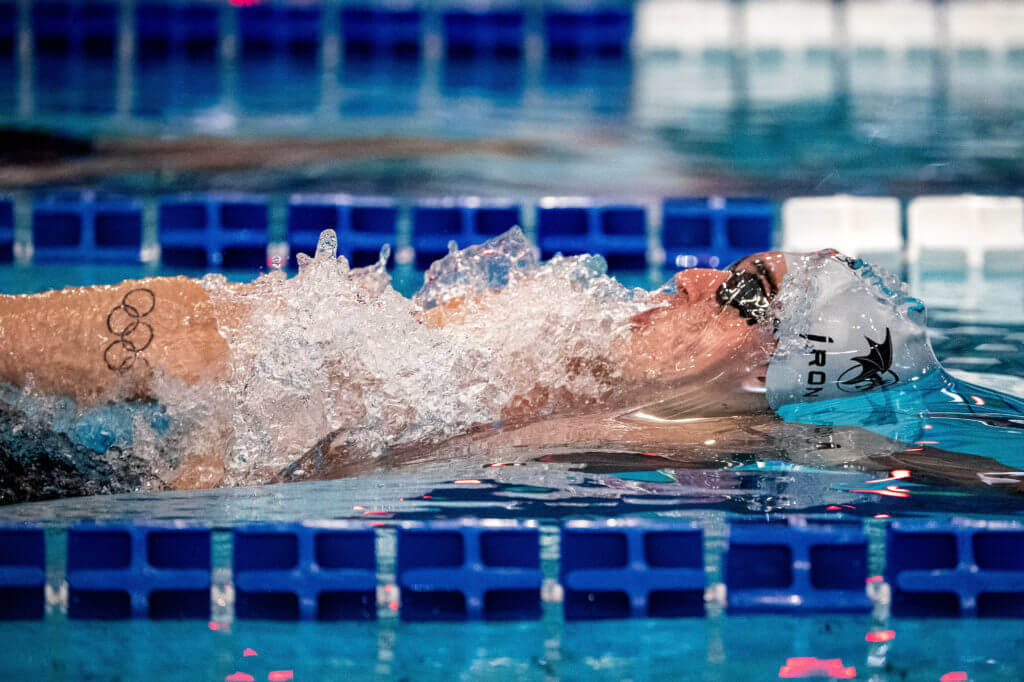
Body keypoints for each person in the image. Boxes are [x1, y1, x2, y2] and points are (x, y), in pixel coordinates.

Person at [0, 229, 1021, 501]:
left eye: (744, 291)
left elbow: (945, 462)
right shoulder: (569, 339)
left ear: (773, 372)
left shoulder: (693, 430)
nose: (691, 276)